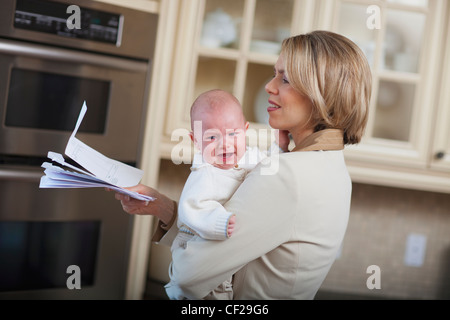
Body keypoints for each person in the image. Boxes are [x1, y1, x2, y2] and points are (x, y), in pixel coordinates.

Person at [113, 30, 372, 299]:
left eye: (284, 78)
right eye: (275, 74)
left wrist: (185, 254)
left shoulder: (287, 174)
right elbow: (241, 243)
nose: (269, 86)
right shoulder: (331, 168)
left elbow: (188, 276)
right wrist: (165, 208)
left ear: (321, 94)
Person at [166, 89, 284, 299]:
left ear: (245, 130)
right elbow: (192, 209)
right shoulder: (204, 173)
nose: (225, 144)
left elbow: (269, 164)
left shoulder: (250, 155)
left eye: (232, 134)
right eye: (212, 137)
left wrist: (279, 146)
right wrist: (219, 222)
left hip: (227, 256)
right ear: (195, 140)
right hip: (197, 240)